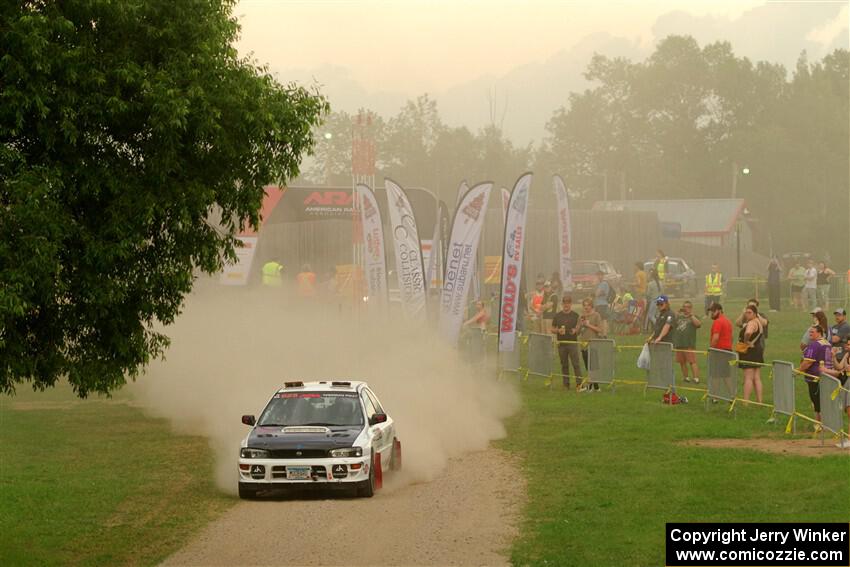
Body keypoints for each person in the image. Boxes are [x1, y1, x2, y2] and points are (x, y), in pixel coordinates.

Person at [799, 325, 833, 430]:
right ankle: (824, 423)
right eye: (810, 332)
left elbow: (808, 361)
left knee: (816, 401)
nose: (810, 334)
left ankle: (819, 423)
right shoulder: (827, 343)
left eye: (812, 332)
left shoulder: (814, 345)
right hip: (827, 376)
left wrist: (798, 370)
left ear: (819, 333)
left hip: (815, 377)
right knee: (823, 401)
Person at [551, 296, 582, 389]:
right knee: (564, 365)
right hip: (561, 344)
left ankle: (579, 384)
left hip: (572, 343)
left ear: (571, 304)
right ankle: (566, 384)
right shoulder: (557, 316)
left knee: (576, 364)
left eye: (568, 303)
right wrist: (558, 331)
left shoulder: (576, 315)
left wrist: (575, 331)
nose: (566, 304)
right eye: (564, 303)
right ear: (562, 304)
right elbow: (552, 329)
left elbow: (579, 328)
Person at [737, 304, 766, 404]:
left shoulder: (751, 323)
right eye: (746, 312)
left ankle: (745, 401)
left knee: (748, 377)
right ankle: (759, 401)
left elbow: (748, 333)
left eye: (749, 312)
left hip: (749, 351)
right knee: (757, 377)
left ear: (755, 313)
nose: (747, 315)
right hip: (758, 350)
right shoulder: (759, 322)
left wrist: (746, 342)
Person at [825, 335, 850, 448]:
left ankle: (849, 438)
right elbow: (839, 367)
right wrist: (834, 357)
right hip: (847, 384)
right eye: (847, 344)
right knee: (848, 411)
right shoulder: (847, 354)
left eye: (849, 344)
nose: (847, 346)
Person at [578, 298, 604, 390]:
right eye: (584, 305)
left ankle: (592, 386)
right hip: (583, 344)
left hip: (593, 344)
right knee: (587, 366)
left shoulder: (596, 315)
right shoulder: (581, 316)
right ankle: (595, 387)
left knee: (593, 366)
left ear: (591, 306)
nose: (586, 307)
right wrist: (581, 325)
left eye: (588, 305)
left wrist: (588, 325)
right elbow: (577, 332)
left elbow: (600, 330)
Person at [673, 301, 702, 383]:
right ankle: (686, 377)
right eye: (684, 307)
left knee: (692, 361)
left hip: (688, 343)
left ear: (691, 308)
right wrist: (677, 313)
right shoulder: (679, 317)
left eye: (688, 307)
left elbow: (698, 324)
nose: (686, 308)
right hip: (679, 343)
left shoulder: (694, 317)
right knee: (682, 362)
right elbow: (672, 323)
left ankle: (696, 378)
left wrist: (691, 315)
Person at [593, 271, 611, 336]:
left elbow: (597, 294)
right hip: (599, 304)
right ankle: (602, 333)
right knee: (601, 319)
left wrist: (595, 286)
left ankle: (604, 334)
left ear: (602, 276)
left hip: (602, 304)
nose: (598, 277)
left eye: (600, 275)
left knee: (602, 319)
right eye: (597, 275)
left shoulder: (603, 283)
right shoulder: (601, 284)